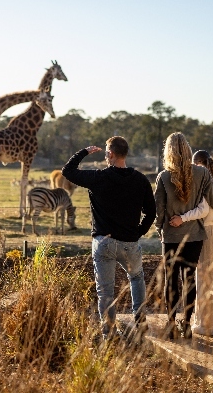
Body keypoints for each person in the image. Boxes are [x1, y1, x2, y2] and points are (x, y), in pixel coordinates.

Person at [62, 136, 156, 339]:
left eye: (106, 152)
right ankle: (140, 323)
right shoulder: (140, 180)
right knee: (137, 278)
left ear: (110, 154)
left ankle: (110, 333)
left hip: (103, 242)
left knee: (105, 292)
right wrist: (138, 232)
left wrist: (84, 152)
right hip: (130, 243)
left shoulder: (98, 178)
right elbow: (151, 212)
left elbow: (67, 171)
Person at [154, 133, 213, 339]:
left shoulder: (163, 177)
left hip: (170, 237)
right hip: (195, 236)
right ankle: (186, 324)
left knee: (171, 281)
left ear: (167, 151)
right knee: (189, 280)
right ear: (188, 150)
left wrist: (160, 229)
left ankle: (171, 324)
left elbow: (158, 210)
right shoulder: (202, 174)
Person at [174, 150, 213, 336]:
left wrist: (182, 218)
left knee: (205, 278)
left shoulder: (202, 182)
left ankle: (204, 325)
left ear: (198, 164)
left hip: (207, 231)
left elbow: (203, 210)